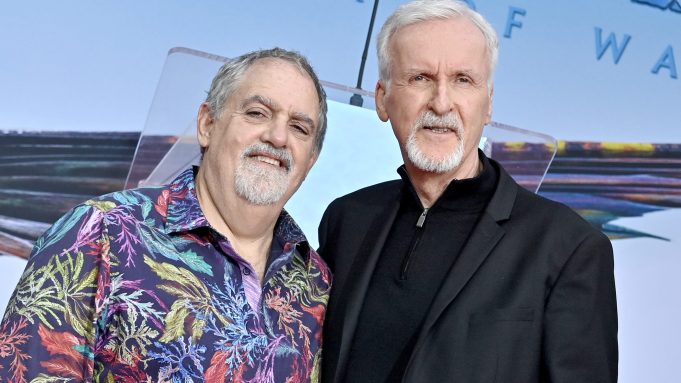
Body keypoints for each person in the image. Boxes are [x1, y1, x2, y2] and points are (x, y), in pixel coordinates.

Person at [317, 1, 618, 382]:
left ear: (488, 103)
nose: (441, 103)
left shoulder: (567, 247)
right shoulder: (346, 220)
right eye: (420, 78)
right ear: (382, 98)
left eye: (463, 80)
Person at [0, 48, 331, 382]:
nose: (277, 136)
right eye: (257, 113)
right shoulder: (100, 233)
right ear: (207, 124)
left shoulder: (317, 284)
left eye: (299, 128)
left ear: (311, 160)